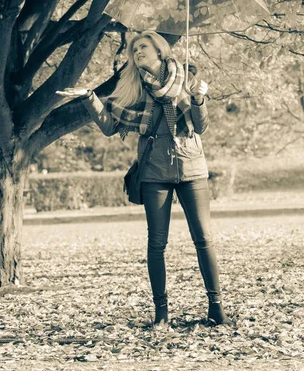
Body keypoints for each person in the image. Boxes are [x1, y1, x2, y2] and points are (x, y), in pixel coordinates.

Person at [57, 31, 232, 327]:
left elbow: (200, 127)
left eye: (143, 47)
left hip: (191, 168)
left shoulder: (185, 81)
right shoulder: (135, 89)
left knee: (203, 238)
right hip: (154, 171)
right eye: (133, 49)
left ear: (160, 52)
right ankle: (161, 312)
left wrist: (199, 98)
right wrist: (90, 98)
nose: (137, 51)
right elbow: (111, 126)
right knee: (157, 244)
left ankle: (216, 307)